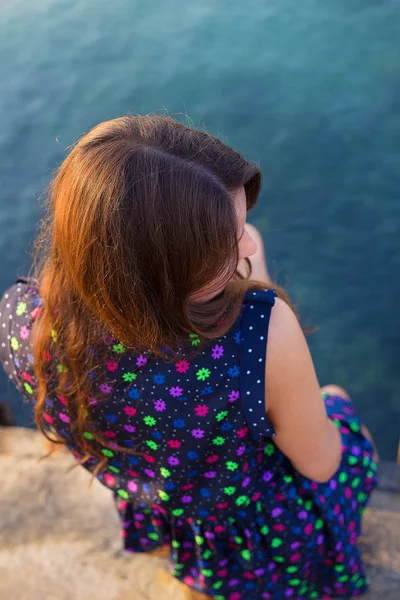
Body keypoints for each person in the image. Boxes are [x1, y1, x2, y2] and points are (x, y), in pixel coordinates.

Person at [0, 115, 378, 600]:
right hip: (257, 535)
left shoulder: (24, 320)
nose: (248, 245)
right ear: (166, 270)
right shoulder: (261, 335)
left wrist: (235, 273)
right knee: (338, 405)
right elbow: (320, 464)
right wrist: (260, 293)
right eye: (229, 241)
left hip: (167, 507)